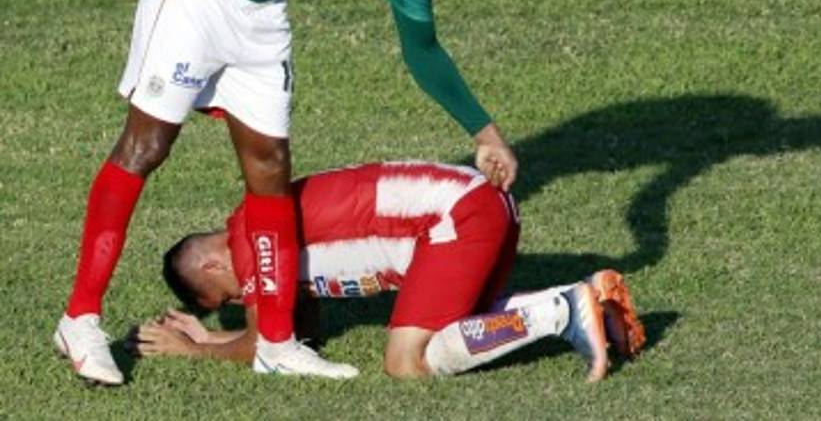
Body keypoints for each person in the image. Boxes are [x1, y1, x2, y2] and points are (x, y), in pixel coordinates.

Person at [55, 0, 520, 386]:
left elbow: (421, 49)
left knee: (271, 169)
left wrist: (484, 131)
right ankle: (80, 319)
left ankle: (276, 342)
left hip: (260, 17)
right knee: (146, 146)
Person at [132, 160, 645, 379]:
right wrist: (215, 340)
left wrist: (195, 350)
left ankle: (558, 313)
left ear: (213, 262)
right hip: (477, 205)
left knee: (406, 362)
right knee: (455, 332)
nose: (241, 301)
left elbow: (267, 345)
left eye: (225, 297)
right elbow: (294, 335)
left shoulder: (251, 245)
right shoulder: (259, 227)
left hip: (455, 216)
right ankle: (586, 301)